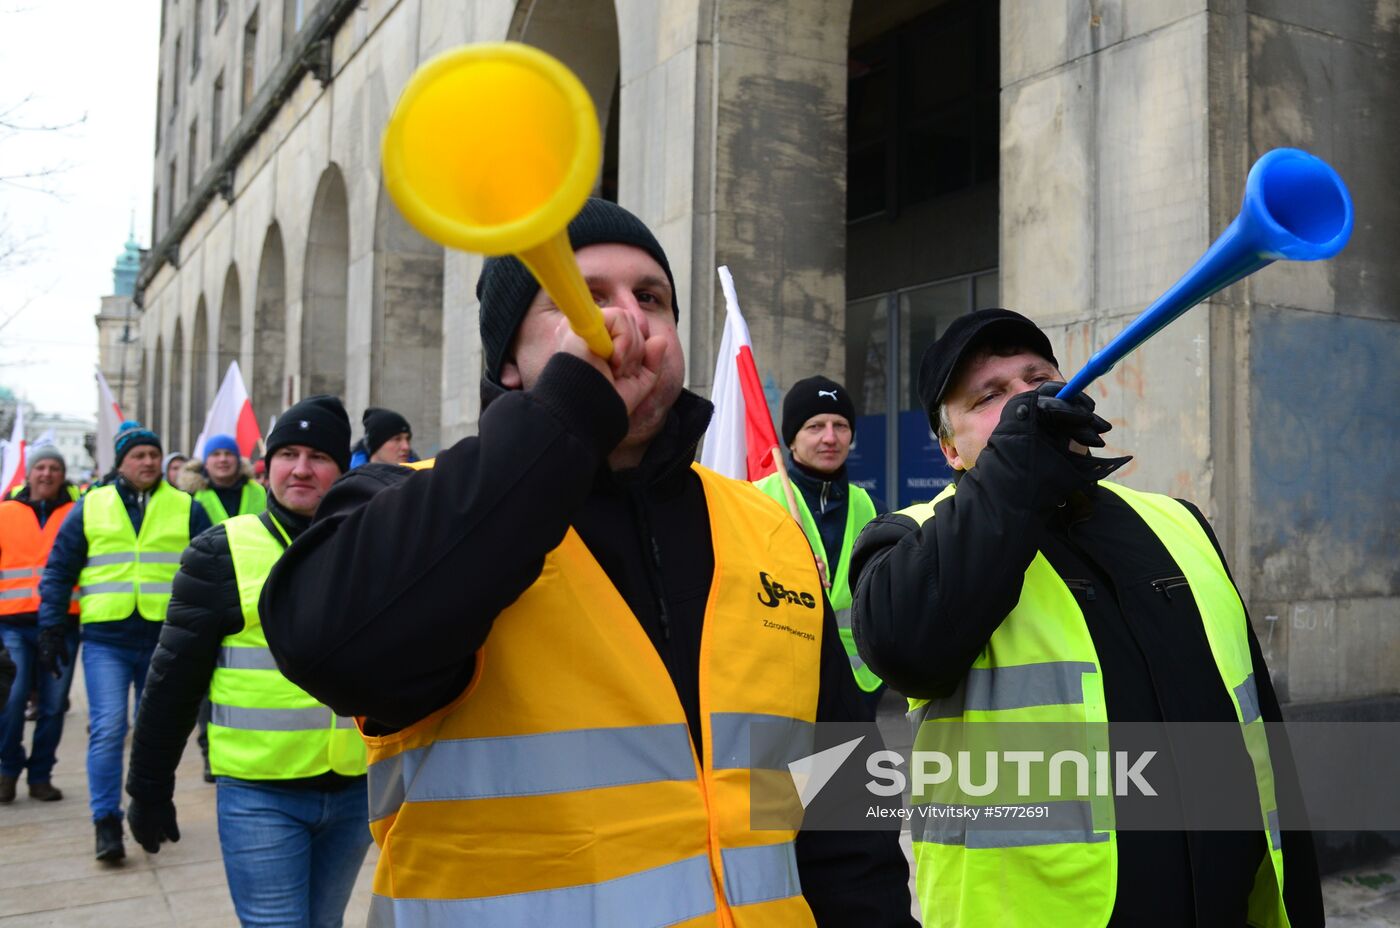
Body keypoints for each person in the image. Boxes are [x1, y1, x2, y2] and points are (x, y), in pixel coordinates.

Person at [260, 198, 916, 926]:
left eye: (651, 298)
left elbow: (844, 805)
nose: (624, 322)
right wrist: (568, 412)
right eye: (583, 297)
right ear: (509, 359)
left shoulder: (766, 527)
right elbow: (327, 643)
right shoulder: (409, 502)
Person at [849, 308, 1323, 927]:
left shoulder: (1178, 523)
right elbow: (905, 645)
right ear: (950, 448)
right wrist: (1017, 468)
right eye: (990, 396)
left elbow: (1262, 733)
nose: (1029, 404)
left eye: (1038, 378)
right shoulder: (909, 538)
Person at [126, 396, 371, 925]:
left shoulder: (371, 545)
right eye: (288, 454)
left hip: (355, 789)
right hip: (260, 794)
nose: (301, 468)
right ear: (266, 467)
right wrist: (148, 787)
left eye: (318, 456)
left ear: (342, 468)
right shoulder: (220, 552)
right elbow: (172, 682)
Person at [37, 421, 211, 861]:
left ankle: (150, 803)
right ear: (121, 462)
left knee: (160, 734)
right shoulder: (91, 505)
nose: (149, 461)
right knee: (110, 729)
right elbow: (59, 569)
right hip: (106, 640)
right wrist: (51, 625)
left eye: (154, 454)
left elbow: (213, 569)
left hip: (165, 640)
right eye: (139, 455)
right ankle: (105, 821)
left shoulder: (187, 507)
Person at [754, 375, 885, 716]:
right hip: (778, 689)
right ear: (791, 440)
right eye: (815, 426)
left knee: (846, 773)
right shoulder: (753, 500)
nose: (830, 437)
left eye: (840, 425)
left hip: (851, 692)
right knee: (777, 773)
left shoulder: (871, 507)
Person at [0, 447, 81, 803]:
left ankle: (41, 775)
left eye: (54, 468)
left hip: (63, 622)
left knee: (52, 706)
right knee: (12, 701)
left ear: (62, 475)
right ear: (29, 474)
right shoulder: (5, 514)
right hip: (13, 623)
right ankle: (7, 769)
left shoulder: (77, 513)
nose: (47, 474)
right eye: (41, 467)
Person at [181, 435, 267, 524]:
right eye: (216, 454)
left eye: (228, 453)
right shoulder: (191, 495)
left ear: (238, 460)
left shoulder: (258, 491)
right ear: (206, 463)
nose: (223, 459)